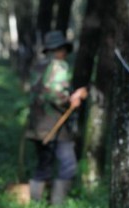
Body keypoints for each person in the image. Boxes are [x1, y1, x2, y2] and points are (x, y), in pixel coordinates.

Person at [27, 30, 88, 204]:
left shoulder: (37, 65)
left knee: (43, 166)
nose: (65, 53)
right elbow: (55, 95)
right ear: (59, 49)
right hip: (55, 124)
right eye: (64, 49)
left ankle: (36, 203)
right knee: (69, 166)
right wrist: (73, 99)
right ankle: (57, 204)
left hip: (36, 124)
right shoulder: (59, 66)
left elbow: (37, 93)